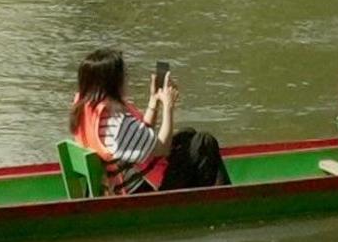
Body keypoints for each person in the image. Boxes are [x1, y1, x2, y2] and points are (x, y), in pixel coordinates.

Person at [69, 49, 225, 192]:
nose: (126, 79)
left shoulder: (88, 110)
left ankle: (205, 192)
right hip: (142, 189)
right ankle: (221, 197)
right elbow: (162, 147)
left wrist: (154, 100)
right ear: (113, 83)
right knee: (204, 142)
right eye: (124, 75)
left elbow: (140, 135)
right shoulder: (117, 123)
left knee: (188, 135)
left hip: (124, 179)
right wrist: (168, 107)